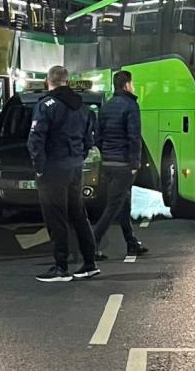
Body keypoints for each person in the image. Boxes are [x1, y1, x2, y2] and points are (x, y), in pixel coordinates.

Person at [27, 66, 100, 282]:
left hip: (53, 169)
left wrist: (40, 168)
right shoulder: (82, 107)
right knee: (78, 214)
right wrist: (78, 158)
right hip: (75, 168)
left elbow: (35, 141)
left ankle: (61, 267)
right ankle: (89, 263)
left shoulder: (46, 106)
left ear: (48, 82)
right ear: (67, 82)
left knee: (56, 217)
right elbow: (88, 141)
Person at [92, 71, 148, 261]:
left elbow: (98, 136)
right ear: (127, 85)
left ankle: (131, 242)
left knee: (124, 203)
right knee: (114, 206)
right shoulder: (131, 106)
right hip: (123, 164)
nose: (133, 86)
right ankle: (92, 243)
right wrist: (135, 163)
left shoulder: (106, 106)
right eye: (132, 83)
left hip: (108, 163)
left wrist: (106, 154)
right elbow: (134, 137)